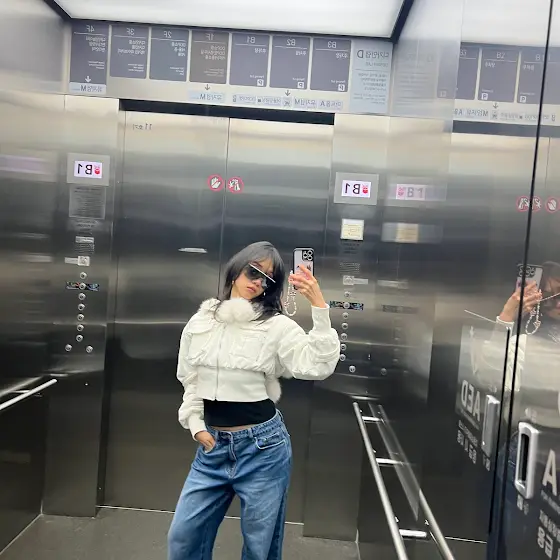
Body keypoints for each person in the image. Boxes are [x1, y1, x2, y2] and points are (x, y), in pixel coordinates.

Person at [167, 241, 340, 560]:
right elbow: (190, 378)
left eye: (268, 279)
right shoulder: (201, 321)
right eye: (253, 271)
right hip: (212, 449)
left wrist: (318, 306)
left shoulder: (276, 325)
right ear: (236, 270)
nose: (258, 281)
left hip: (263, 449)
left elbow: (317, 365)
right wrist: (195, 424)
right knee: (184, 538)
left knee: (259, 548)